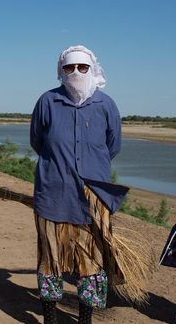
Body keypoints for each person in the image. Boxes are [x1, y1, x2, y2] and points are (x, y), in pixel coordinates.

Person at [30, 45, 126, 324]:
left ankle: (85, 318)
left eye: (82, 67)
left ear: (92, 69)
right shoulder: (48, 102)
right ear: (61, 71)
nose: (75, 72)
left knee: (91, 263)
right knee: (51, 260)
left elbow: (113, 145)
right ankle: (50, 318)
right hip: (53, 197)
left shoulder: (106, 105)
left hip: (93, 200)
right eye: (69, 68)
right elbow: (38, 140)